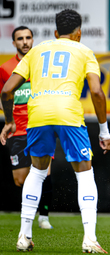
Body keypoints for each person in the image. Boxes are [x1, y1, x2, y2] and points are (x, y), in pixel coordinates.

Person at [0, 9, 110, 253]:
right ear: (79, 33)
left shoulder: (37, 50)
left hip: (37, 115)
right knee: (84, 174)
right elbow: (96, 91)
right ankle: (90, 240)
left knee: (37, 172)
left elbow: (6, 91)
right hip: (68, 115)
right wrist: (104, 131)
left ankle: (24, 235)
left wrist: (9, 121)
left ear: (54, 32)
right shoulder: (85, 51)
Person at [0, 26, 54, 229]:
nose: (25, 42)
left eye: (28, 37)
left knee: (45, 172)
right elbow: (2, 96)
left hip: (40, 124)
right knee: (20, 179)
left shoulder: (42, 65)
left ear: (33, 40)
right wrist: (8, 118)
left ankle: (43, 216)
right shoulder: (6, 68)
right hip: (17, 129)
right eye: (20, 38)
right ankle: (32, 209)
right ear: (14, 43)